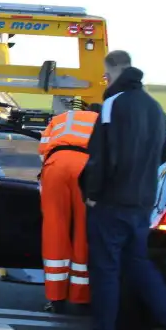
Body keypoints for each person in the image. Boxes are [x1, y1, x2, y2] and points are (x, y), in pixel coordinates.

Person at [71, 50, 166, 330]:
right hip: (143, 201)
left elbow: (100, 155)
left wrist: (92, 192)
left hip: (111, 200)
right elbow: (164, 154)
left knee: (105, 269)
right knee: (138, 263)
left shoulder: (113, 104)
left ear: (110, 72)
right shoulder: (155, 107)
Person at [38, 101, 99, 314]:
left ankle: (55, 298)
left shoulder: (62, 119)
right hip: (87, 167)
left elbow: (42, 150)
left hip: (56, 164)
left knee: (55, 229)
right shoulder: (104, 121)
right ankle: (81, 296)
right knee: (84, 230)